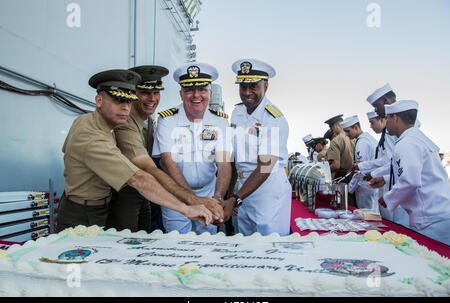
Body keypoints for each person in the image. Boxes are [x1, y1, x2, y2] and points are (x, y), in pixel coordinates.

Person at [57, 69, 214, 231]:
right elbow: (138, 177)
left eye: (129, 101)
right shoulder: (91, 135)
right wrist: (186, 208)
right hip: (81, 213)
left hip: (101, 207)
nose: (126, 108)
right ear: (99, 101)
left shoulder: (103, 123)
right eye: (118, 101)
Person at [152, 62, 232, 234]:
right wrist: (194, 200)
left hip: (210, 194)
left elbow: (224, 164)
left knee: (207, 247)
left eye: (202, 89)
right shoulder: (167, 120)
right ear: (181, 94)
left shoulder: (220, 122)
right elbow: (168, 162)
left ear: (210, 93)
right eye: (189, 90)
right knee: (178, 246)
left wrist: (217, 198)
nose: (196, 95)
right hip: (176, 197)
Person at [222, 58, 291, 236]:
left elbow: (265, 167)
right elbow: (236, 157)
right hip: (245, 190)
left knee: (270, 246)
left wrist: (235, 199)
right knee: (247, 244)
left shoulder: (273, 119)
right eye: (243, 87)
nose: (247, 92)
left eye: (253, 86)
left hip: (269, 191)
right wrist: (230, 194)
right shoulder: (237, 113)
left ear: (265, 86)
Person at [371, 100, 450, 245]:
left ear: (395, 118)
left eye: (387, 118)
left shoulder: (407, 143)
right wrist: (386, 179)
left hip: (430, 219)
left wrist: (388, 198)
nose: (386, 123)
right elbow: (419, 174)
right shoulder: (417, 138)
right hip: (439, 213)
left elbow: (411, 181)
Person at [354, 84, 409, 226]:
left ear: (385, 101)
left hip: (398, 194)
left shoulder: (401, 128)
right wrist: (378, 175)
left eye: (376, 106)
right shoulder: (391, 129)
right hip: (390, 187)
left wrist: (369, 171)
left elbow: (393, 162)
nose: (376, 111)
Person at [340, 115, 378, 212]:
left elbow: (360, 170)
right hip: (372, 185)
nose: (346, 134)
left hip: (365, 187)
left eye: (348, 131)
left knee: (366, 216)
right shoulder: (369, 139)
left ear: (356, 127)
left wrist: (349, 189)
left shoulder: (362, 143)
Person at [323, 114, 355, 180]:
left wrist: (323, 172)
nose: (333, 131)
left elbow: (336, 165)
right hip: (353, 175)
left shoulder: (335, 141)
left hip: (342, 177)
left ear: (335, 126)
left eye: (332, 128)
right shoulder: (353, 138)